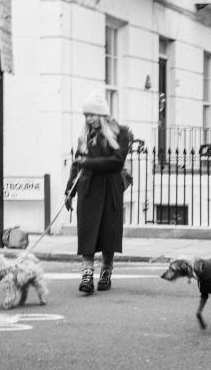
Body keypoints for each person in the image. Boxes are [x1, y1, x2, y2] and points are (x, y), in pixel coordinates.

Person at [64, 89, 133, 294]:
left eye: (92, 114)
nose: (89, 119)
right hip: (88, 189)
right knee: (87, 231)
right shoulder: (84, 136)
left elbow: (116, 162)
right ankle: (87, 274)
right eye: (86, 115)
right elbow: (77, 165)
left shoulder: (120, 133)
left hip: (110, 188)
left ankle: (106, 271)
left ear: (102, 114)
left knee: (108, 232)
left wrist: (89, 162)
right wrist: (69, 190)